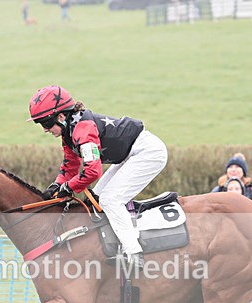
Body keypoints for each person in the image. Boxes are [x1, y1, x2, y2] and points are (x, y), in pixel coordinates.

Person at [28, 85, 168, 269]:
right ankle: (114, 244)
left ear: (61, 116)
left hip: (147, 152)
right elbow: (70, 165)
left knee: (110, 200)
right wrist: (56, 186)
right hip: (128, 155)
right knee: (96, 200)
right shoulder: (68, 132)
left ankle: (134, 253)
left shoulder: (82, 129)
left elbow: (92, 171)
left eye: (46, 124)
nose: (45, 130)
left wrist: (69, 188)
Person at [212, 153, 252, 303]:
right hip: (223, 250)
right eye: (231, 166)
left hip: (246, 249)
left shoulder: (251, 193)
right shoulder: (217, 190)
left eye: (238, 167)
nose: (234, 170)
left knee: (244, 291)